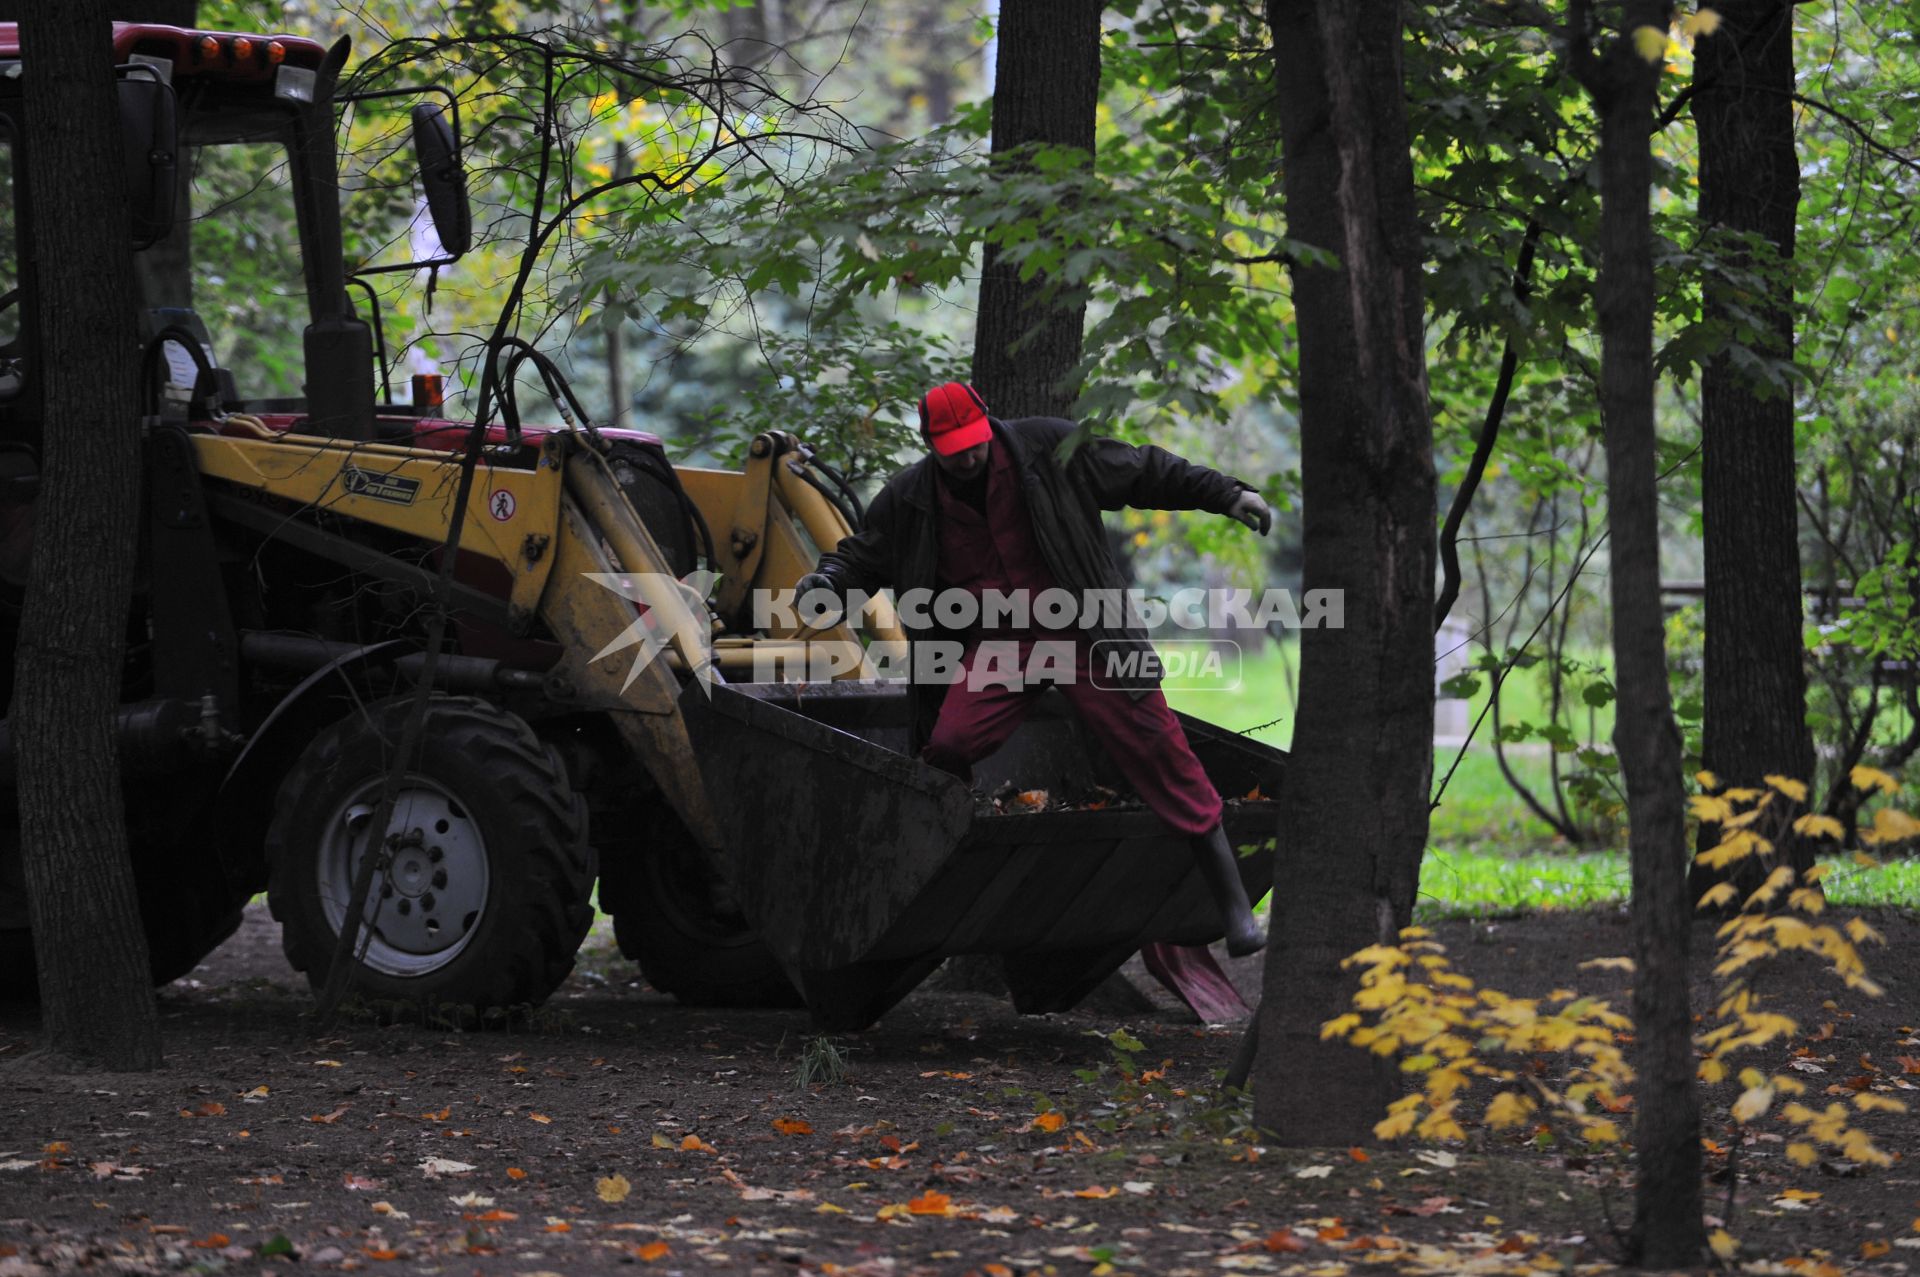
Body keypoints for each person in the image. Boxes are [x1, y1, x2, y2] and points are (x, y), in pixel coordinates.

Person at [796, 381, 1273, 956]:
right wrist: (826, 584)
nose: (968, 457)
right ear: (931, 445)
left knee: (1157, 746)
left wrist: (1226, 494)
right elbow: (863, 555)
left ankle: (1233, 906)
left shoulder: (1051, 448)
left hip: (1085, 629)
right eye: (954, 450)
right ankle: (954, 867)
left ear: (988, 423)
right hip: (999, 644)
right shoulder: (909, 498)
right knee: (947, 743)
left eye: (974, 443)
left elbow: (1145, 469)